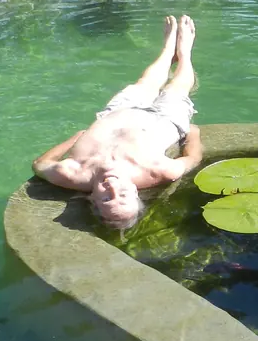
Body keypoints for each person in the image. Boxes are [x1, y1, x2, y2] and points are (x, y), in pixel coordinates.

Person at [32, 14, 203, 232]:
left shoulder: (70, 174)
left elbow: (39, 164)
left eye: (105, 199)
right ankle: (185, 52)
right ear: (134, 191)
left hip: (116, 113)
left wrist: (74, 138)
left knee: (146, 82)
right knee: (178, 87)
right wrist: (193, 135)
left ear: (92, 199)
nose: (111, 187)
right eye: (122, 195)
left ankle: (168, 49)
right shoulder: (159, 171)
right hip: (166, 120)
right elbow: (192, 158)